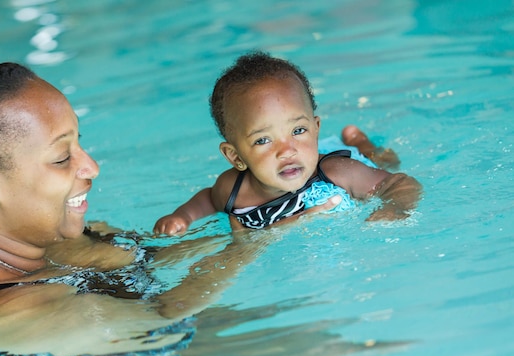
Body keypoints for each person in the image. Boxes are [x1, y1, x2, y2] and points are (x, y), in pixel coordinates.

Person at [0, 55, 338, 356]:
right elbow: (163, 318)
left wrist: (250, 219)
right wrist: (256, 241)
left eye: (79, 143)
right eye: (62, 159)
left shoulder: (21, 236)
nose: (91, 167)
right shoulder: (19, 315)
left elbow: (143, 256)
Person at [154, 51, 423, 235]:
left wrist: (394, 207)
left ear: (315, 129)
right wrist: (183, 217)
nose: (287, 150)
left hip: (348, 161)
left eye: (298, 130)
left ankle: (359, 140)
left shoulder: (338, 173)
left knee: (380, 159)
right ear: (235, 156)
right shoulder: (233, 189)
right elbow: (209, 200)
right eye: (263, 140)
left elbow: (400, 183)